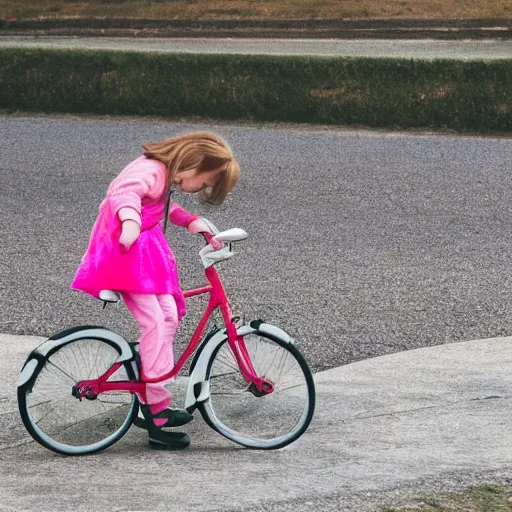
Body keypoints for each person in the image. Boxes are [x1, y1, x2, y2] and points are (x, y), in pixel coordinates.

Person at [71, 131, 240, 450]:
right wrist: (131, 221)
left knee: (169, 315)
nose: (201, 188)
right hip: (126, 254)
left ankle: (152, 394)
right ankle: (155, 408)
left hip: (143, 256)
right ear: (192, 163)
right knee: (155, 322)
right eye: (204, 182)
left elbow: (164, 206)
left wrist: (191, 221)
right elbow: (124, 193)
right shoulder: (149, 171)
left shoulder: (161, 177)